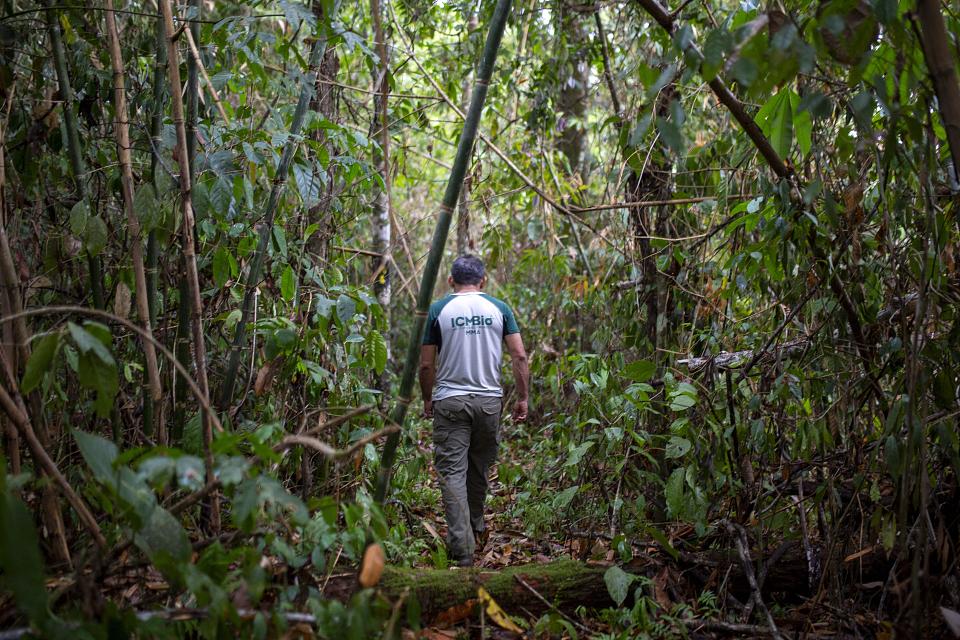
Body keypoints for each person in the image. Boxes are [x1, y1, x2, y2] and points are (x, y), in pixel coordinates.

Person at [419, 254, 529, 567]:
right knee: (479, 467)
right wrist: (522, 397)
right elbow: (519, 356)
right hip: (488, 402)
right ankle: (475, 525)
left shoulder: (439, 310)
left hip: (451, 400)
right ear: (483, 281)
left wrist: (428, 398)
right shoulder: (499, 308)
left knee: (453, 472)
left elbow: (427, 362)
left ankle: (462, 548)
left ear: (450, 281)